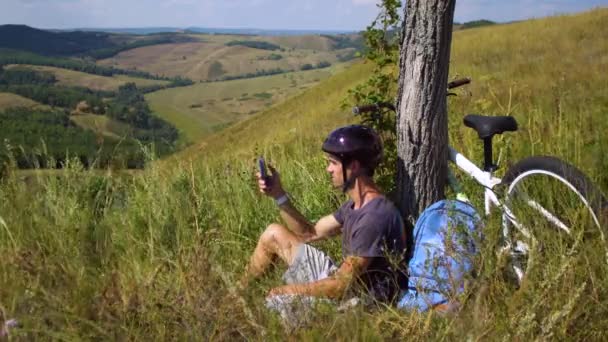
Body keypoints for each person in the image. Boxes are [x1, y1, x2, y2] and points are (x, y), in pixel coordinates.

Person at [240, 125, 408, 313]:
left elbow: (341, 285)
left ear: (353, 165)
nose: (328, 169)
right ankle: (237, 298)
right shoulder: (355, 205)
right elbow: (309, 234)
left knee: (278, 303)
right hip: (344, 282)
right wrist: (278, 195)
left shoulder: (374, 217)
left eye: (333, 163)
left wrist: (289, 290)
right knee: (273, 234)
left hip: (360, 303)